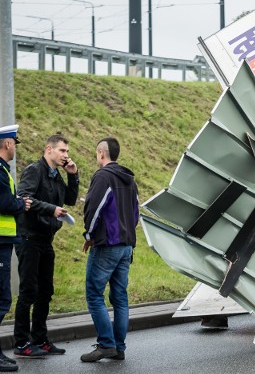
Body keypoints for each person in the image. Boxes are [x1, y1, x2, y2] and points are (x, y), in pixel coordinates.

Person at [13, 134, 79, 358]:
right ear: (49, 149)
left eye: (67, 152)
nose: (66, 155)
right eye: (62, 151)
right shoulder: (35, 170)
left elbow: (69, 200)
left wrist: (73, 176)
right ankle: (21, 343)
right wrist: (51, 209)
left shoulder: (57, 176)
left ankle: (40, 338)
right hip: (29, 237)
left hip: (45, 239)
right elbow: (23, 197)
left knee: (45, 291)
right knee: (29, 291)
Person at [81, 137, 138, 363]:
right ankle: (119, 347)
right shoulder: (129, 179)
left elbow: (93, 208)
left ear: (101, 154)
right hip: (126, 247)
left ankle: (106, 344)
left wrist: (89, 235)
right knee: (120, 298)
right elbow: (135, 214)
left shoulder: (103, 176)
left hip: (107, 246)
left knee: (95, 295)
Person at [0, 125, 31, 372]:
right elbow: (5, 202)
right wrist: (22, 203)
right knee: (2, 299)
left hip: (4, 240)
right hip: (0, 240)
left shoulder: (3, 170)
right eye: (14, 143)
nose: (15, 148)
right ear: (7, 143)